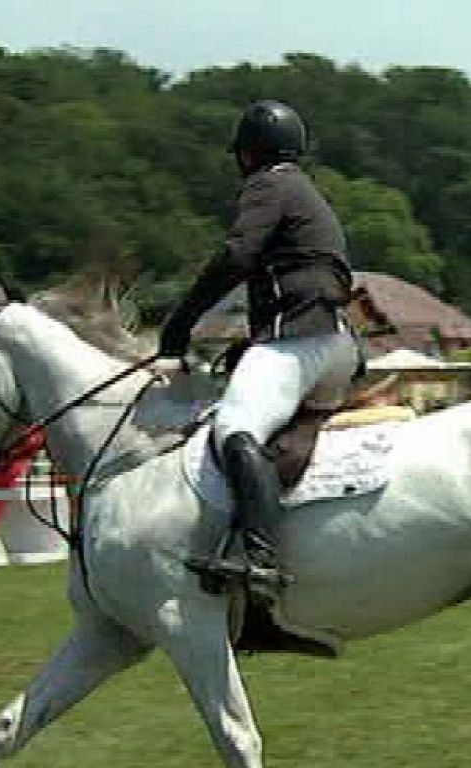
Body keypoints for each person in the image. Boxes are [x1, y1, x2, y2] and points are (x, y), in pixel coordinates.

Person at [155, 99, 360, 602]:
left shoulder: (269, 183)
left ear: (249, 153)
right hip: (336, 344)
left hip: (302, 340)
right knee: (280, 437)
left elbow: (238, 254)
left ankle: (259, 555)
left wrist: (180, 323)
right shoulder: (305, 189)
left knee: (235, 428)